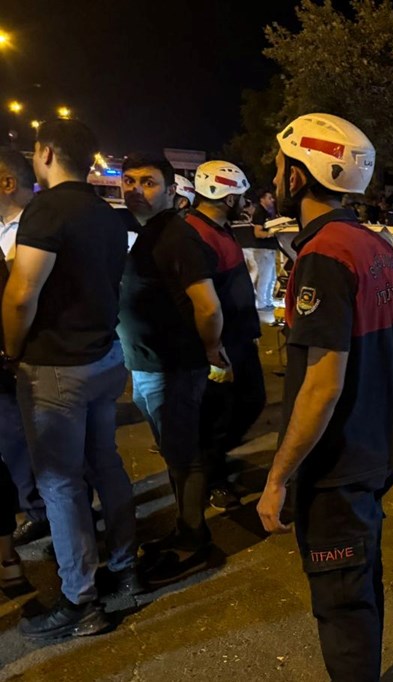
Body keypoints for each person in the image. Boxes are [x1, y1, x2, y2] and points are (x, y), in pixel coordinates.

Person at [259, 113, 393, 681]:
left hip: (338, 462)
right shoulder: (374, 244)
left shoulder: (325, 254)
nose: (274, 176)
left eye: (280, 166)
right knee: (361, 585)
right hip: (375, 449)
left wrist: (277, 478)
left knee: (342, 605)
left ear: (299, 178)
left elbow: (322, 385)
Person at [2, 119, 138, 639]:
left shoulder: (48, 210)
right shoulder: (107, 215)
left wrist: (13, 351)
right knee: (105, 463)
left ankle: (80, 599)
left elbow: (20, 295)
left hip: (57, 368)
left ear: (48, 152)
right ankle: (124, 564)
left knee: (60, 484)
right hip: (104, 359)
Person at [117, 154, 216, 585]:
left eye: (149, 182)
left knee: (185, 457)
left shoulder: (176, 235)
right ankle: (183, 527)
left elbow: (208, 307)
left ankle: (194, 539)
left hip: (173, 367)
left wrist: (210, 349)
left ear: (172, 191)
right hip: (149, 365)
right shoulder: (149, 233)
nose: (136, 188)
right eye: (129, 180)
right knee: (175, 454)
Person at [184, 161, 265, 511]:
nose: (244, 203)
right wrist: (213, 348)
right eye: (240, 196)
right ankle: (210, 478)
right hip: (220, 345)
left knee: (250, 400)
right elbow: (206, 305)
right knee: (217, 414)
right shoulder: (195, 234)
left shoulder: (219, 228)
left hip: (237, 339)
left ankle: (210, 462)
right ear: (227, 197)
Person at [0, 150, 48, 547]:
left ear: (8, 183)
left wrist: (13, 353)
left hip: (24, 356)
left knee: (21, 439)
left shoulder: (30, 231)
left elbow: (21, 301)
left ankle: (40, 511)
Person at [242, 191, 278, 322]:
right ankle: (262, 303)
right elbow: (258, 233)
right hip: (263, 250)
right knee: (265, 277)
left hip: (268, 250)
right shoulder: (260, 213)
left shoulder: (266, 212)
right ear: (262, 199)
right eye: (269, 197)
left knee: (271, 277)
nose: (272, 200)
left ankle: (267, 301)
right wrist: (272, 233)